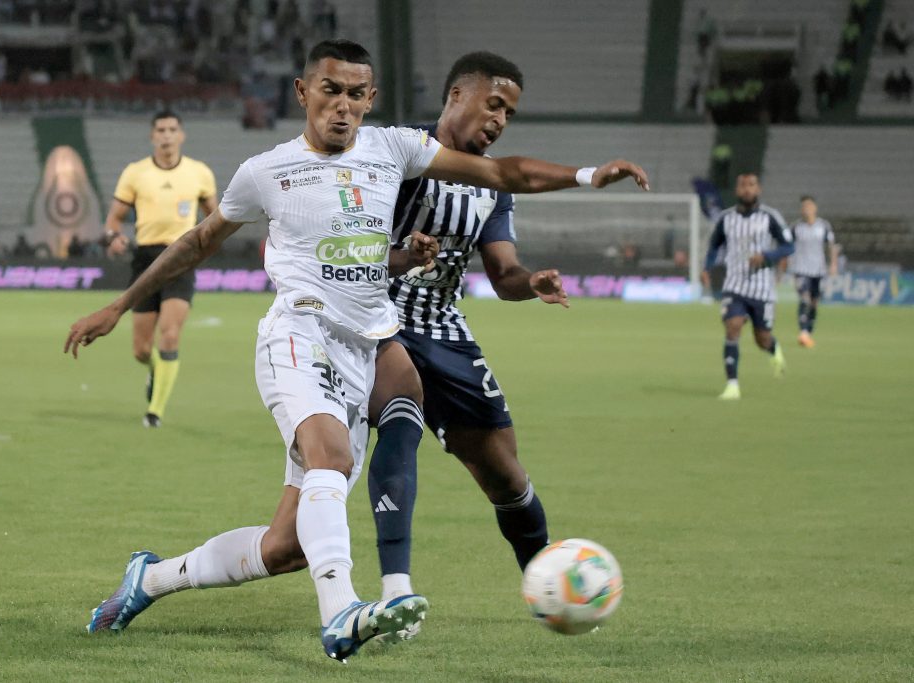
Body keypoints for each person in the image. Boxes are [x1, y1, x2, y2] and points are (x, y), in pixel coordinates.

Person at [63, 39, 649, 662]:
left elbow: (503, 175)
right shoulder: (265, 170)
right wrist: (120, 305)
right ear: (303, 92)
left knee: (285, 546)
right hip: (297, 335)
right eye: (330, 91)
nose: (342, 107)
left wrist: (587, 175)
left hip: (366, 344)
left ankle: (148, 578)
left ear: (371, 99)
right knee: (333, 458)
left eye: (355, 95)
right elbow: (198, 241)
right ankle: (345, 611)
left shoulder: (394, 149)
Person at [365, 52, 608, 606]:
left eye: (509, 113)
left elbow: (503, 275)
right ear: (455, 97)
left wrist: (532, 282)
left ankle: (549, 587)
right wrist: (403, 254)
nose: (499, 119)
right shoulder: (399, 153)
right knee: (399, 417)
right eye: (492, 104)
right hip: (376, 316)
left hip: (443, 326)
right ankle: (396, 586)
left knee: (505, 474)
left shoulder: (493, 186)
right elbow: (353, 239)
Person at [104, 110, 218, 428]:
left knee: (169, 335)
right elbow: (114, 219)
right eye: (161, 130)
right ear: (152, 136)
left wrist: (205, 245)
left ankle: (154, 412)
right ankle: (156, 369)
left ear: (181, 135)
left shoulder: (199, 173)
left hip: (181, 257)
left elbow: (216, 217)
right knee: (141, 349)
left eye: (172, 129)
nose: (166, 135)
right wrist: (113, 237)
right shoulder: (135, 173)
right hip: (145, 259)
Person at [701, 174, 794, 401]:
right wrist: (706, 267)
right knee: (733, 327)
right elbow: (714, 246)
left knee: (762, 339)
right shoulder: (726, 218)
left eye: (751, 185)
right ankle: (732, 385)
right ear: (737, 189)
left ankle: (774, 350)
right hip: (734, 284)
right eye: (742, 185)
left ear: (758, 189)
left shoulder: (770, 217)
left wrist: (766, 255)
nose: (746, 190)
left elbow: (788, 246)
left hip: (762, 288)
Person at [790, 196, 838, 348]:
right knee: (804, 299)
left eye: (809, 206)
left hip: (818, 270)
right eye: (804, 207)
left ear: (815, 208)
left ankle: (808, 332)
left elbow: (831, 246)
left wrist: (833, 265)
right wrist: (783, 267)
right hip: (801, 269)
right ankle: (803, 332)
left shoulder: (824, 226)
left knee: (814, 303)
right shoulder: (795, 227)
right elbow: (786, 247)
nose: (806, 209)